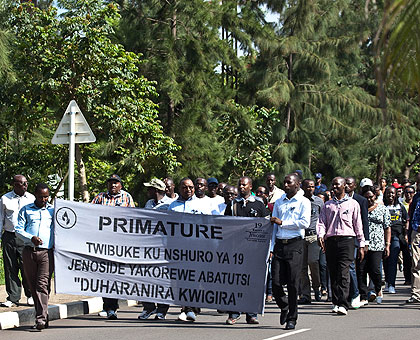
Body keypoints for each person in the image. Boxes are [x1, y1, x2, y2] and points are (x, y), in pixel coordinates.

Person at [224, 176, 270, 325]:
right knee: (235, 282)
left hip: (254, 250)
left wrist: (269, 248)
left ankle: (251, 314)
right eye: (239, 185)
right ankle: (234, 313)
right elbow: (225, 225)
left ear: (251, 186)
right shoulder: (232, 205)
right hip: (236, 250)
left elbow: (267, 226)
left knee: (252, 282)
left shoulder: (259, 204)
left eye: (244, 185)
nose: (241, 187)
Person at [317, 177, 365, 316]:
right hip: (331, 240)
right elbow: (322, 222)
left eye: (337, 184)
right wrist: (321, 235)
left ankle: (344, 303)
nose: (334, 187)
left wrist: (361, 244)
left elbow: (358, 225)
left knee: (344, 271)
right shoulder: (328, 205)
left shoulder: (353, 204)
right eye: (333, 185)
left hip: (347, 240)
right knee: (333, 271)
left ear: (344, 186)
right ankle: (336, 302)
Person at [91, 174, 135, 320]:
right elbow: (89, 214)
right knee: (104, 275)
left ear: (121, 185)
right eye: (110, 183)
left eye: (116, 183)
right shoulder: (99, 198)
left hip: (120, 244)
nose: (113, 185)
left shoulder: (127, 198)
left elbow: (133, 218)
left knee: (115, 275)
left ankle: (113, 306)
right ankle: (107, 306)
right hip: (103, 243)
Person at [270, 174, 311, 330]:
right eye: (284, 182)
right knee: (276, 282)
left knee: (293, 283)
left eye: (289, 182)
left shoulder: (303, 201)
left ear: (297, 185)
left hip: (295, 244)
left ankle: (292, 318)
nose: (286, 185)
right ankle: (284, 305)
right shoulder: (279, 201)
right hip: (280, 244)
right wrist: (272, 247)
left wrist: (283, 223)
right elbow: (274, 225)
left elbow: (304, 223)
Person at [168, 177, 212, 321]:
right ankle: (187, 308)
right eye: (185, 187)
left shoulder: (202, 205)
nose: (188, 190)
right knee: (181, 278)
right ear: (179, 189)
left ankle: (192, 308)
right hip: (179, 249)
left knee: (194, 278)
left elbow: (210, 226)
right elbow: (168, 228)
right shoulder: (172, 206)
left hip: (198, 248)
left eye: (191, 187)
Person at [15, 183, 53, 330]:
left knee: (42, 285)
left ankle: (41, 319)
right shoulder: (26, 210)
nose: (44, 200)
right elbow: (18, 229)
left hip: (46, 253)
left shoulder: (53, 211)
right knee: (32, 285)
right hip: (29, 251)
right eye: (41, 197)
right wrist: (31, 238)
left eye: (46, 197)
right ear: (35, 195)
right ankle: (43, 313)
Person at [0, 175, 34, 308]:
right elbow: (1, 218)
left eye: (26, 183)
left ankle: (30, 295)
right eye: (22, 183)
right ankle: (13, 298)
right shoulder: (5, 199)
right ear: (14, 185)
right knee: (10, 267)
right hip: (9, 236)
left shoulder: (31, 198)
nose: (25, 186)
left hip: (25, 237)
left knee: (27, 267)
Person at [357, 186, 391, 305]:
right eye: (366, 198)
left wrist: (387, 245)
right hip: (362, 243)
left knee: (375, 269)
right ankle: (363, 295)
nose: (369, 200)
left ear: (375, 196)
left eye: (371, 197)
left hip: (377, 244)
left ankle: (378, 289)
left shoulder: (382, 209)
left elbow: (387, 228)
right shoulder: (359, 209)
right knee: (361, 270)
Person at [345, 177, 370, 309]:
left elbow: (364, 221)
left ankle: (357, 294)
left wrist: (365, 242)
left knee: (353, 267)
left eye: (349, 184)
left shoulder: (361, 200)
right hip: (343, 238)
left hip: (356, 238)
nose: (347, 186)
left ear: (354, 186)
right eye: (345, 184)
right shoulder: (338, 200)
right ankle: (346, 295)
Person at [298, 179, 323, 304]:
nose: (310, 189)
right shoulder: (299, 201)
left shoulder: (318, 201)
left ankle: (317, 288)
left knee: (313, 262)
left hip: (314, 236)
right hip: (301, 236)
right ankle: (305, 295)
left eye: (312, 187)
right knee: (302, 267)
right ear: (303, 187)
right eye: (308, 187)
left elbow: (323, 218)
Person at [383, 186, 408, 294]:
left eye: (392, 193)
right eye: (388, 193)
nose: (390, 195)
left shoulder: (400, 207)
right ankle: (387, 282)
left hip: (396, 236)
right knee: (385, 261)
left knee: (393, 260)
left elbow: (406, 219)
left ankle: (392, 284)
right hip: (383, 236)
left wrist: (406, 233)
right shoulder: (382, 206)